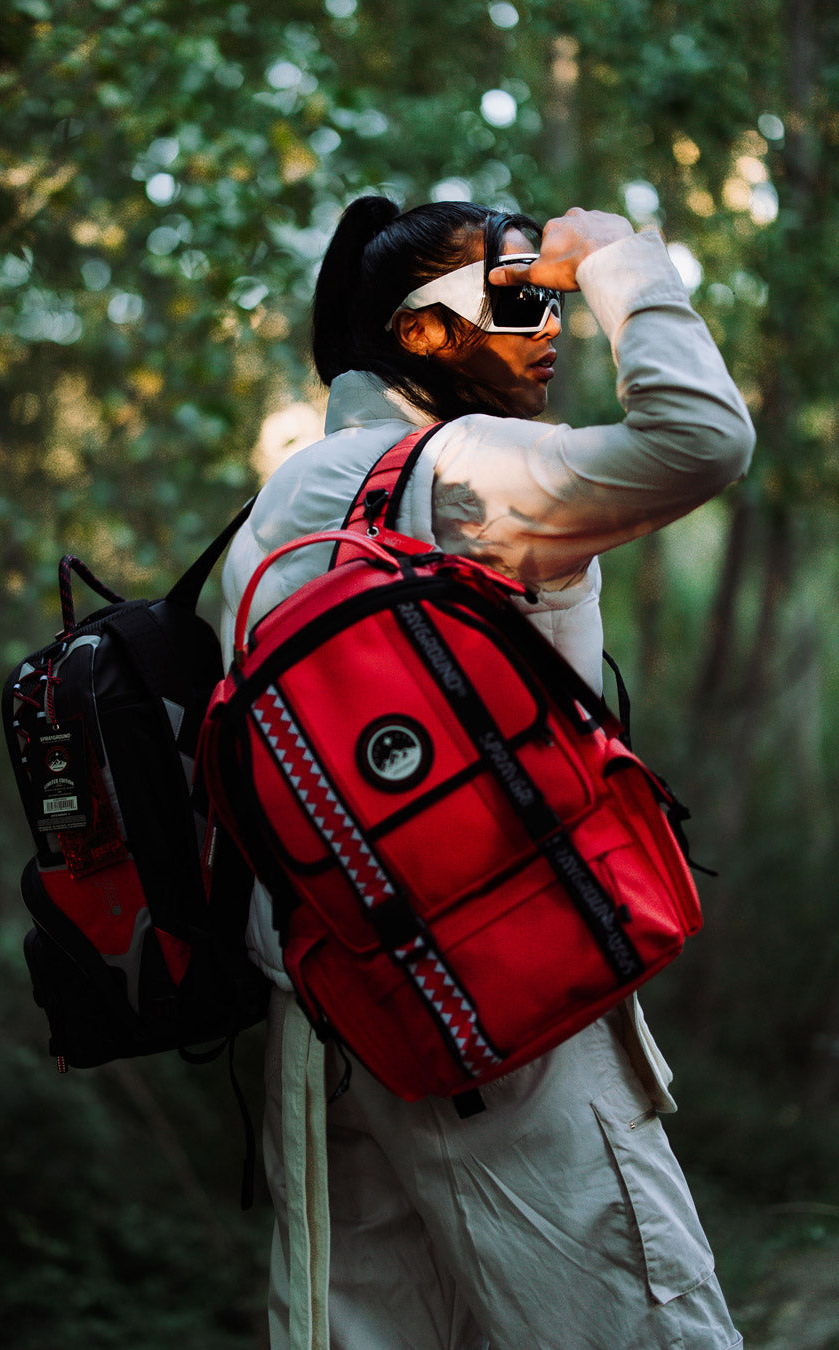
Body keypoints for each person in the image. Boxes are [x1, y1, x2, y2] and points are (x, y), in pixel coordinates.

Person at [220, 198, 754, 1350]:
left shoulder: (280, 509)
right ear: (420, 334)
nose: (551, 323)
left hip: (332, 1016)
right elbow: (704, 436)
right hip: (505, 1008)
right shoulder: (464, 472)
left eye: (553, 298)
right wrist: (617, 258)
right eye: (517, 299)